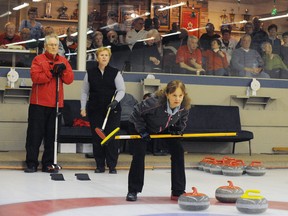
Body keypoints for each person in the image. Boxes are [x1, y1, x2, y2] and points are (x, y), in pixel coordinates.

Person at [126, 80, 192, 202]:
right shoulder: (154, 103)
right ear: (167, 94)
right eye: (174, 95)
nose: (177, 99)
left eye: (180, 95)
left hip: (162, 127)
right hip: (140, 125)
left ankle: (178, 191)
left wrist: (177, 130)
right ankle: (133, 190)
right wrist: (142, 130)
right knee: (139, 154)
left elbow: (182, 120)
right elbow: (136, 112)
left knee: (178, 150)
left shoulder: (184, 106)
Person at [24, 33, 74, 173]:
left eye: (55, 45)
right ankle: (31, 163)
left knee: (52, 136)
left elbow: (69, 79)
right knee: (34, 135)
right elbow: (36, 77)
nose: (53, 47)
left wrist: (62, 72)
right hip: (39, 104)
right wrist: (51, 72)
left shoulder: (63, 60)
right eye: (51, 45)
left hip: (56, 104)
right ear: (45, 46)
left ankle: (48, 163)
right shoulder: (38, 60)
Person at [80, 47, 125, 174]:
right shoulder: (90, 72)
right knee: (97, 138)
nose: (104, 57)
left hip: (112, 111)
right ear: (97, 57)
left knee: (111, 138)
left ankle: (112, 166)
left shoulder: (115, 73)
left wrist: (115, 101)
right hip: (95, 110)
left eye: (106, 55)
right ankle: (100, 165)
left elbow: (121, 90)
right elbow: (84, 92)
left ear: (109, 57)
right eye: (101, 55)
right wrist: (83, 107)